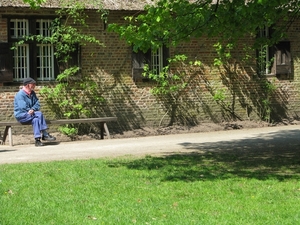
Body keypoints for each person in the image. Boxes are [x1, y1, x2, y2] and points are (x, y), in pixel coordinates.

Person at [14, 77, 56, 147]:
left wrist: (33, 109)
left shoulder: (32, 93)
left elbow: (37, 103)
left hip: (32, 115)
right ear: (27, 85)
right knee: (39, 114)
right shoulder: (20, 94)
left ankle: (37, 140)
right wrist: (29, 110)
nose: (34, 86)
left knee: (36, 120)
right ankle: (45, 134)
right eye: (33, 84)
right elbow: (22, 107)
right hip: (21, 115)